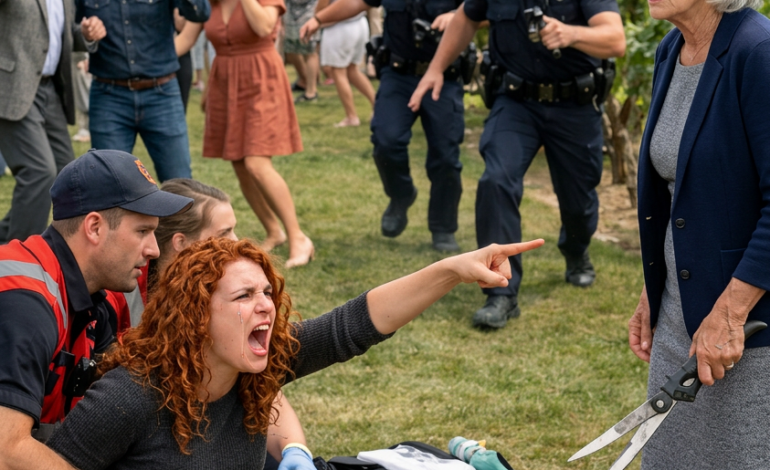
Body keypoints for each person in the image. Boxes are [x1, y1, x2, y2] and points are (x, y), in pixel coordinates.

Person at [44, 235, 543, 469]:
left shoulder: (255, 367)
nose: (265, 307)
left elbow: (358, 323)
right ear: (196, 316)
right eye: (244, 297)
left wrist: (451, 270)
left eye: (267, 293)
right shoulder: (129, 395)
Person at [408, 0, 625, 328]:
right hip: (516, 103)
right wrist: (436, 69)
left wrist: (570, 33)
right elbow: (466, 18)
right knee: (496, 180)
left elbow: (615, 39)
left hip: (574, 106)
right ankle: (501, 295)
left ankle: (576, 248)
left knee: (578, 201)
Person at [626, 0, 770, 467]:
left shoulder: (759, 52)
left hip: (744, 326)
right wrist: (655, 287)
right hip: (680, 313)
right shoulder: (673, 48)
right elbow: (679, 187)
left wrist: (729, 314)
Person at [0, 149, 194, 468]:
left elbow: (128, 402)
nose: (154, 250)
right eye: (143, 231)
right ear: (94, 227)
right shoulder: (25, 301)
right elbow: (7, 450)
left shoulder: (93, 299)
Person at [104, 179, 316, 470]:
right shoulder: (123, 299)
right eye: (224, 232)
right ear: (181, 243)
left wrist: (295, 448)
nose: (237, 240)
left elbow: (259, 383)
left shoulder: (219, 295)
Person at [300, 0, 466, 253]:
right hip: (398, 74)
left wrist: (456, 15)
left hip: (445, 75)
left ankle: (443, 227)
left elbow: (485, 10)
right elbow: (358, 2)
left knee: (445, 155)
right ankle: (401, 194)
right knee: (386, 140)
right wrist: (320, 19)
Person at [175, 0, 315, 269]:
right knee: (239, 164)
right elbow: (185, 39)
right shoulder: (209, 3)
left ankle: (298, 237)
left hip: (261, 79)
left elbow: (264, 27)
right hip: (226, 82)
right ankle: (274, 230)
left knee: (256, 162)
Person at [0, 0, 105, 244]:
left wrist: (86, 33)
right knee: (39, 172)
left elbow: (63, 34)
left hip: (51, 91)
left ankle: (7, 239)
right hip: (12, 88)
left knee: (67, 175)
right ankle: (20, 263)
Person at [76, 0, 210, 183]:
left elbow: (200, 13)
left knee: (180, 183)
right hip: (109, 96)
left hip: (162, 95)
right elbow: (69, 28)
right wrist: (86, 34)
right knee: (108, 185)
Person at [316, 0, 376, 127]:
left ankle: (351, 116)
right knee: (352, 70)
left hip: (341, 28)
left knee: (338, 71)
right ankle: (378, 106)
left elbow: (321, 11)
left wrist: (315, 20)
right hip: (360, 23)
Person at [285, 0, 321, 103]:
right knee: (290, 51)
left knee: (310, 53)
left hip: (309, 15)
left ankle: (311, 91)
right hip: (290, 16)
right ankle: (303, 80)